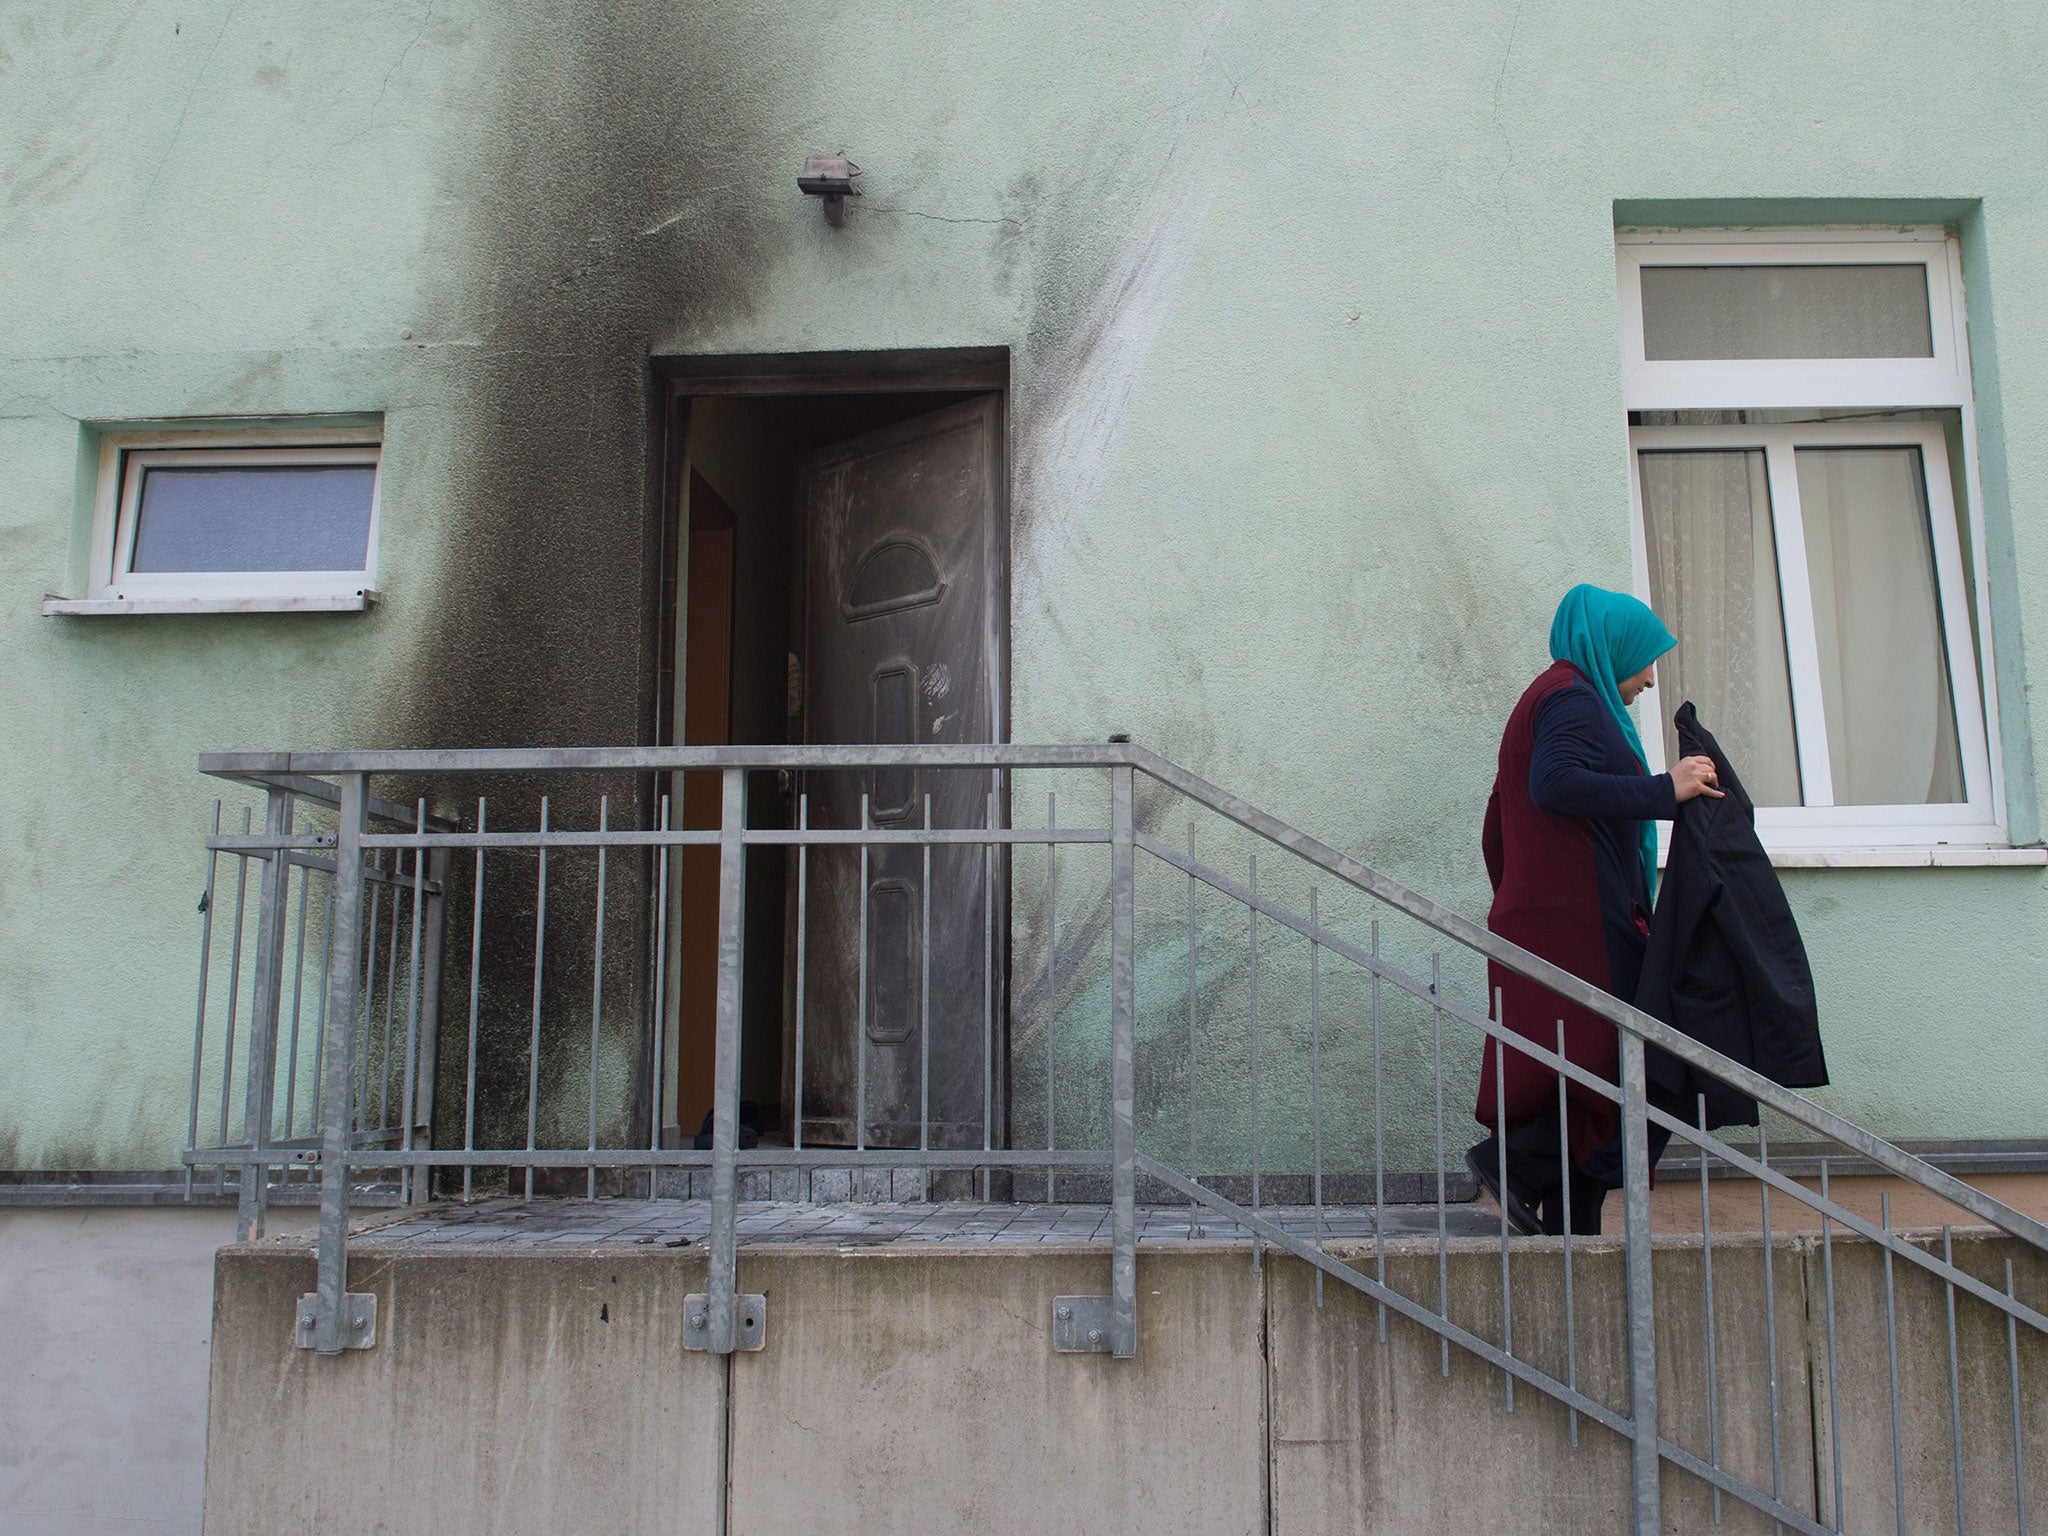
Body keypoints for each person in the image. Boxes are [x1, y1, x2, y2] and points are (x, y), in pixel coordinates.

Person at [1466, 584, 1723, 1235]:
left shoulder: (1552, 698)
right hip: (1580, 922)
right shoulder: (1573, 700)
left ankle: (1572, 1231)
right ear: (1614, 648)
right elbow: (1553, 785)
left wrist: (1521, 896)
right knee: (1652, 1066)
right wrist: (1668, 788)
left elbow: (1499, 820)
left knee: (1585, 1077)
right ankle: (1515, 1162)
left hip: (1557, 915)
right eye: (1645, 657)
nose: (1650, 676)